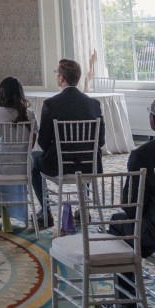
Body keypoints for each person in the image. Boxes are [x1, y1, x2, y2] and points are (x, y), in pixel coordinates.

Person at [102, 96, 155, 308]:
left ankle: (127, 305)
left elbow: (130, 207)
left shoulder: (144, 154)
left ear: (153, 121)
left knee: (117, 223)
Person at [31, 58, 105, 228]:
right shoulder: (94, 104)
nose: (56, 76)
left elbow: (43, 141)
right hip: (89, 164)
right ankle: (83, 209)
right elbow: (101, 141)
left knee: (33, 161)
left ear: (62, 78)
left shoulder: (51, 104)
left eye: (57, 73)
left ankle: (45, 211)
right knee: (87, 155)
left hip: (59, 165)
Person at [0, 76, 37, 223]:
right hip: (24, 166)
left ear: (1, 93)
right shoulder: (30, 114)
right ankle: (15, 211)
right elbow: (31, 145)